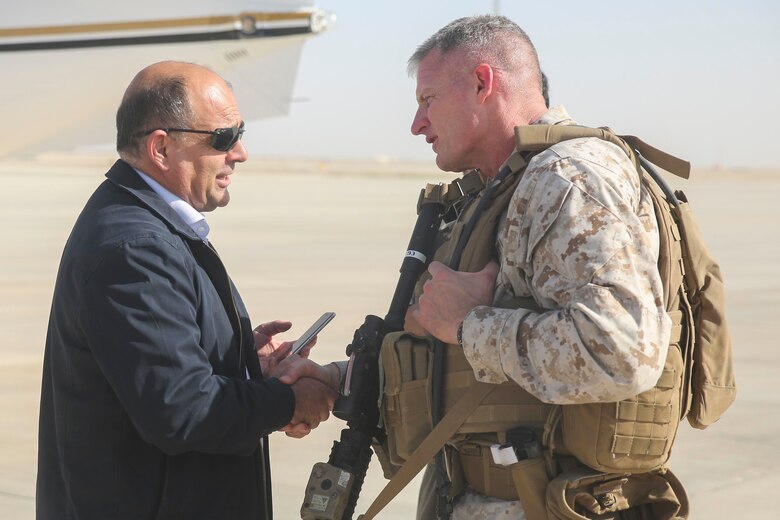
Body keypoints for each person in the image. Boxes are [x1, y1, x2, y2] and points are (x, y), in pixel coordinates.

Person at [36, 61, 340, 520]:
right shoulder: (136, 247)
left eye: (240, 132)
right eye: (222, 138)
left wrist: (240, 363)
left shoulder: (145, 225)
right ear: (161, 147)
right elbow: (183, 410)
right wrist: (291, 401)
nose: (239, 153)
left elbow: (155, 379)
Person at [403, 16, 672, 519]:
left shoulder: (566, 179)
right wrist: (335, 380)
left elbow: (620, 353)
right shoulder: (508, 185)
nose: (417, 124)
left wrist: (466, 325)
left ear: (483, 83)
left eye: (428, 100)